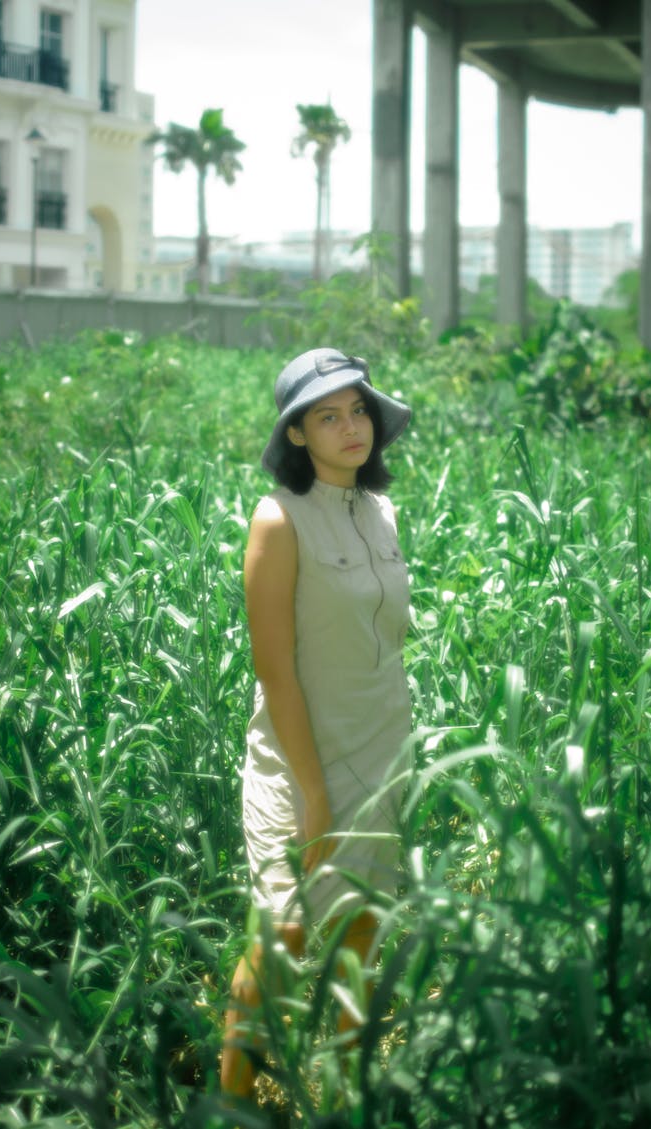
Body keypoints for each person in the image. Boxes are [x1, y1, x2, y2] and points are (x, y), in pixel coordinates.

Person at [220, 347, 412, 1102]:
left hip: (381, 745)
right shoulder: (278, 519)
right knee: (283, 932)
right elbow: (276, 667)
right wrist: (311, 791)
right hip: (298, 757)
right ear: (297, 434)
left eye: (357, 408)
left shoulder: (382, 509)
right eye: (326, 416)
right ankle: (228, 1106)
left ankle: (341, 1094)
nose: (350, 426)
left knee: (364, 925)